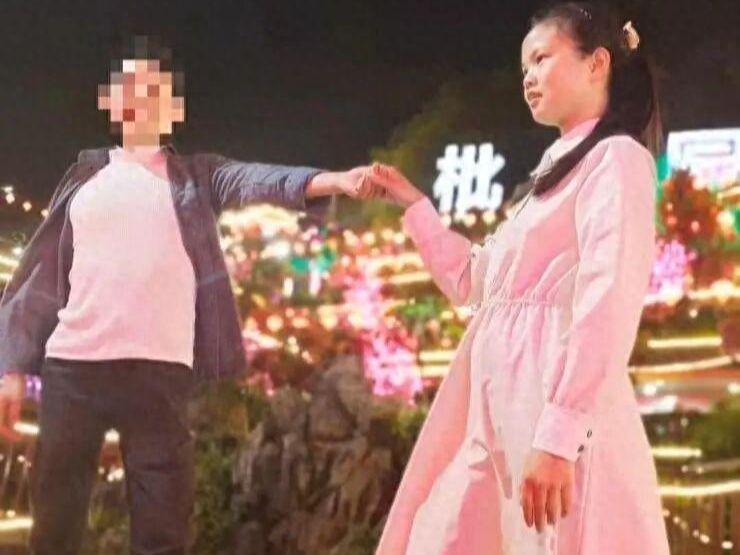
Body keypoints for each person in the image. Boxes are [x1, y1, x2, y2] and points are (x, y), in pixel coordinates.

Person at [0, 36, 381, 555]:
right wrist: (11, 368)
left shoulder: (198, 178)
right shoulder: (84, 178)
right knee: (53, 529)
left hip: (160, 373)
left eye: (154, 89)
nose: (141, 96)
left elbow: (257, 180)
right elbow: (40, 276)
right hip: (74, 368)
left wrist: (334, 180)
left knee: (164, 529)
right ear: (108, 101)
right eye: (130, 86)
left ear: (174, 110)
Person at [373, 3, 670, 554]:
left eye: (541, 58)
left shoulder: (616, 159)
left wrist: (560, 434)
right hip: (495, 410)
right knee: (444, 532)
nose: (528, 77)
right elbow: (475, 283)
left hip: (546, 399)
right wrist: (416, 207)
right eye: (523, 68)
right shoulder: (550, 177)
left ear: (596, 63)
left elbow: (607, 301)